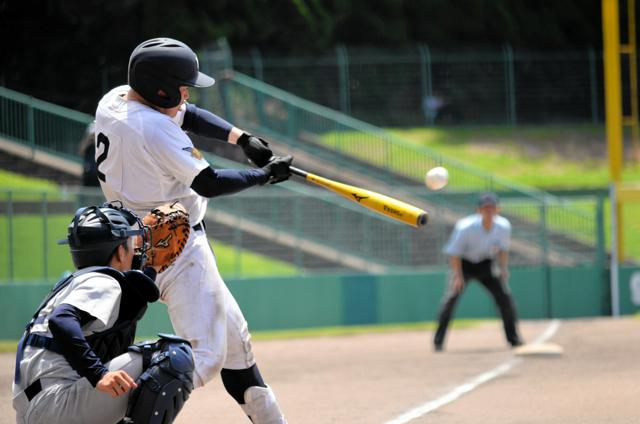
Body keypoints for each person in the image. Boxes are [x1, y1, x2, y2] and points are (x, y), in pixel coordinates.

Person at [94, 37, 291, 423]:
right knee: (203, 357)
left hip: (135, 238)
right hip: (175, 243)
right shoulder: (153, 129)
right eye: (181, 85)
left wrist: (241, 139)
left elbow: (188, 113)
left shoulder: (116, 99)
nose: (187, 92)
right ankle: (110, 398)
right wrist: (263, 175)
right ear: (159, 87)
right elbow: (210, 182)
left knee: (237, 347)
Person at [12, 202, 195, 424]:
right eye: (131, 242)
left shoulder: (75, 282)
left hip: (40, 407)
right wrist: (99, 374)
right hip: (57, 404)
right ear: (119, 252)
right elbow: (61, 321)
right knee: (173, 355)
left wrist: (152, 268)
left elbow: (127, 311)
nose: (137, 249)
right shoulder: (104, 281)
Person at [433, 192, 523, 351]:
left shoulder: (503, 226)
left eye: (492, 208)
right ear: (478, 210)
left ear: (498, 209)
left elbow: (503, 249)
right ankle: (438, 341)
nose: (489, 211)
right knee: (450, 301)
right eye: (485, 208)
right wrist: (458, 276)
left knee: (505, 299)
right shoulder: (465, 227)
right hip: (464, 265)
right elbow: (454, 253)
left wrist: (503, 269)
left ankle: (513, 338)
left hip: (486, 264)